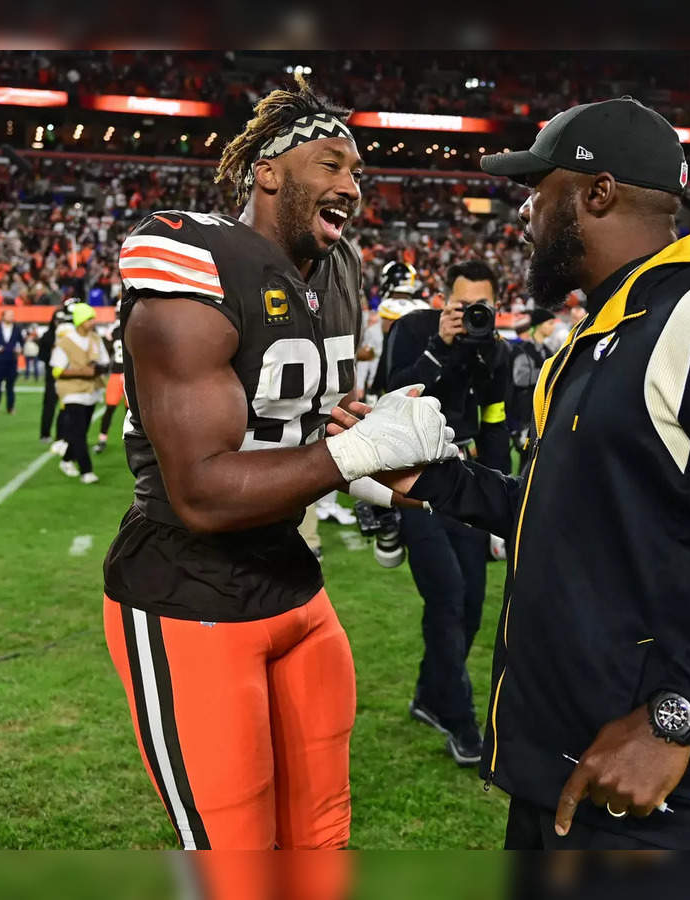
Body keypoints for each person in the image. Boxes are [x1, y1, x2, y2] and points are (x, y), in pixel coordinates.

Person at [348, 98, 690, 849]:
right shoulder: (606, 330)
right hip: (576, 767)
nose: (525, 211)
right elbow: (584, 512)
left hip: (672, 797)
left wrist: (679, 715)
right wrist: (435, 480)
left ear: (597, 193)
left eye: (540, 188)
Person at [101, 73, 453, 850]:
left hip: (293, 575)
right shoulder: (196, 257)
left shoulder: (336, 272)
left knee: (322, 829)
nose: (352, 187)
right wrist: (357, 448)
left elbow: (307, 426)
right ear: (267, 170)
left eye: (358, 171)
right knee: (238, 852)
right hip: (189, 585)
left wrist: (400, 464)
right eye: (332, 165)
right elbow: (200, 491)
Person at [381, 258, 512, 767]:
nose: (472, 315)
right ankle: (463, 724)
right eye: (462, 306)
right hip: (418, 481)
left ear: (496, 308)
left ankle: (428, 698)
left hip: (470, 486)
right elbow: (393, 397)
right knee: (447, 598)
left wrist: (503, 495)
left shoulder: (496, 352)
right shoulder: (415, 328)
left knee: (473, 608)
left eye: (481, 307)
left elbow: (495, 422)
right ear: (444, 299)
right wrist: (441, 345)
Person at [50, 302, 109, 484]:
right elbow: (57, 371)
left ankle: (67, 460)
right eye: (89, 318)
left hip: (91, 390)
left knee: (81, 431)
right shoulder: (65, 342)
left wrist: (97, 369)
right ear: (80, 321)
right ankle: (87, 471)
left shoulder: (96, 339)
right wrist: (81, 372)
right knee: (78, 431)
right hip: (71, 391)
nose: (92, 321)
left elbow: (105, 362)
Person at [506, 308, 553, 470]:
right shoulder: (523, 349)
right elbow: (520, 378)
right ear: (539, 326)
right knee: (526, 460)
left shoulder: (547, 350)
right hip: (523, 413)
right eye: (549, 323)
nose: (552, 327)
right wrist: (548, 372)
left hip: (540, 412)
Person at [38, 299, 77, 443]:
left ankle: (61, 436)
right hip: (52, 375)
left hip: (66, 375)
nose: (59, 322)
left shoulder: (70, 335)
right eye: (57, 319)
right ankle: (45, 433)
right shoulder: (48, 336)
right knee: (49, 405)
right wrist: (53, 353)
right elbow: (41, 356)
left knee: (66, 406)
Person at [94, 310, 124, 455]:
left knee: (110, 409)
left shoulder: (113, 330)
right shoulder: (131, 327)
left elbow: (106, 351)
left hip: (117, 373)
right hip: (125, 374)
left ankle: (102, 439)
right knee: (129, 412)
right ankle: (131, 441)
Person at [0, 307, 24, 414]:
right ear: (3, 317)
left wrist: (19, 349)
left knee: (10, 386)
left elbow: (21, 343)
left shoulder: (17, 328)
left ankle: (10, 407)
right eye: (9, 315)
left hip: (12, 360)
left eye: (12, 315)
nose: (12, 317)